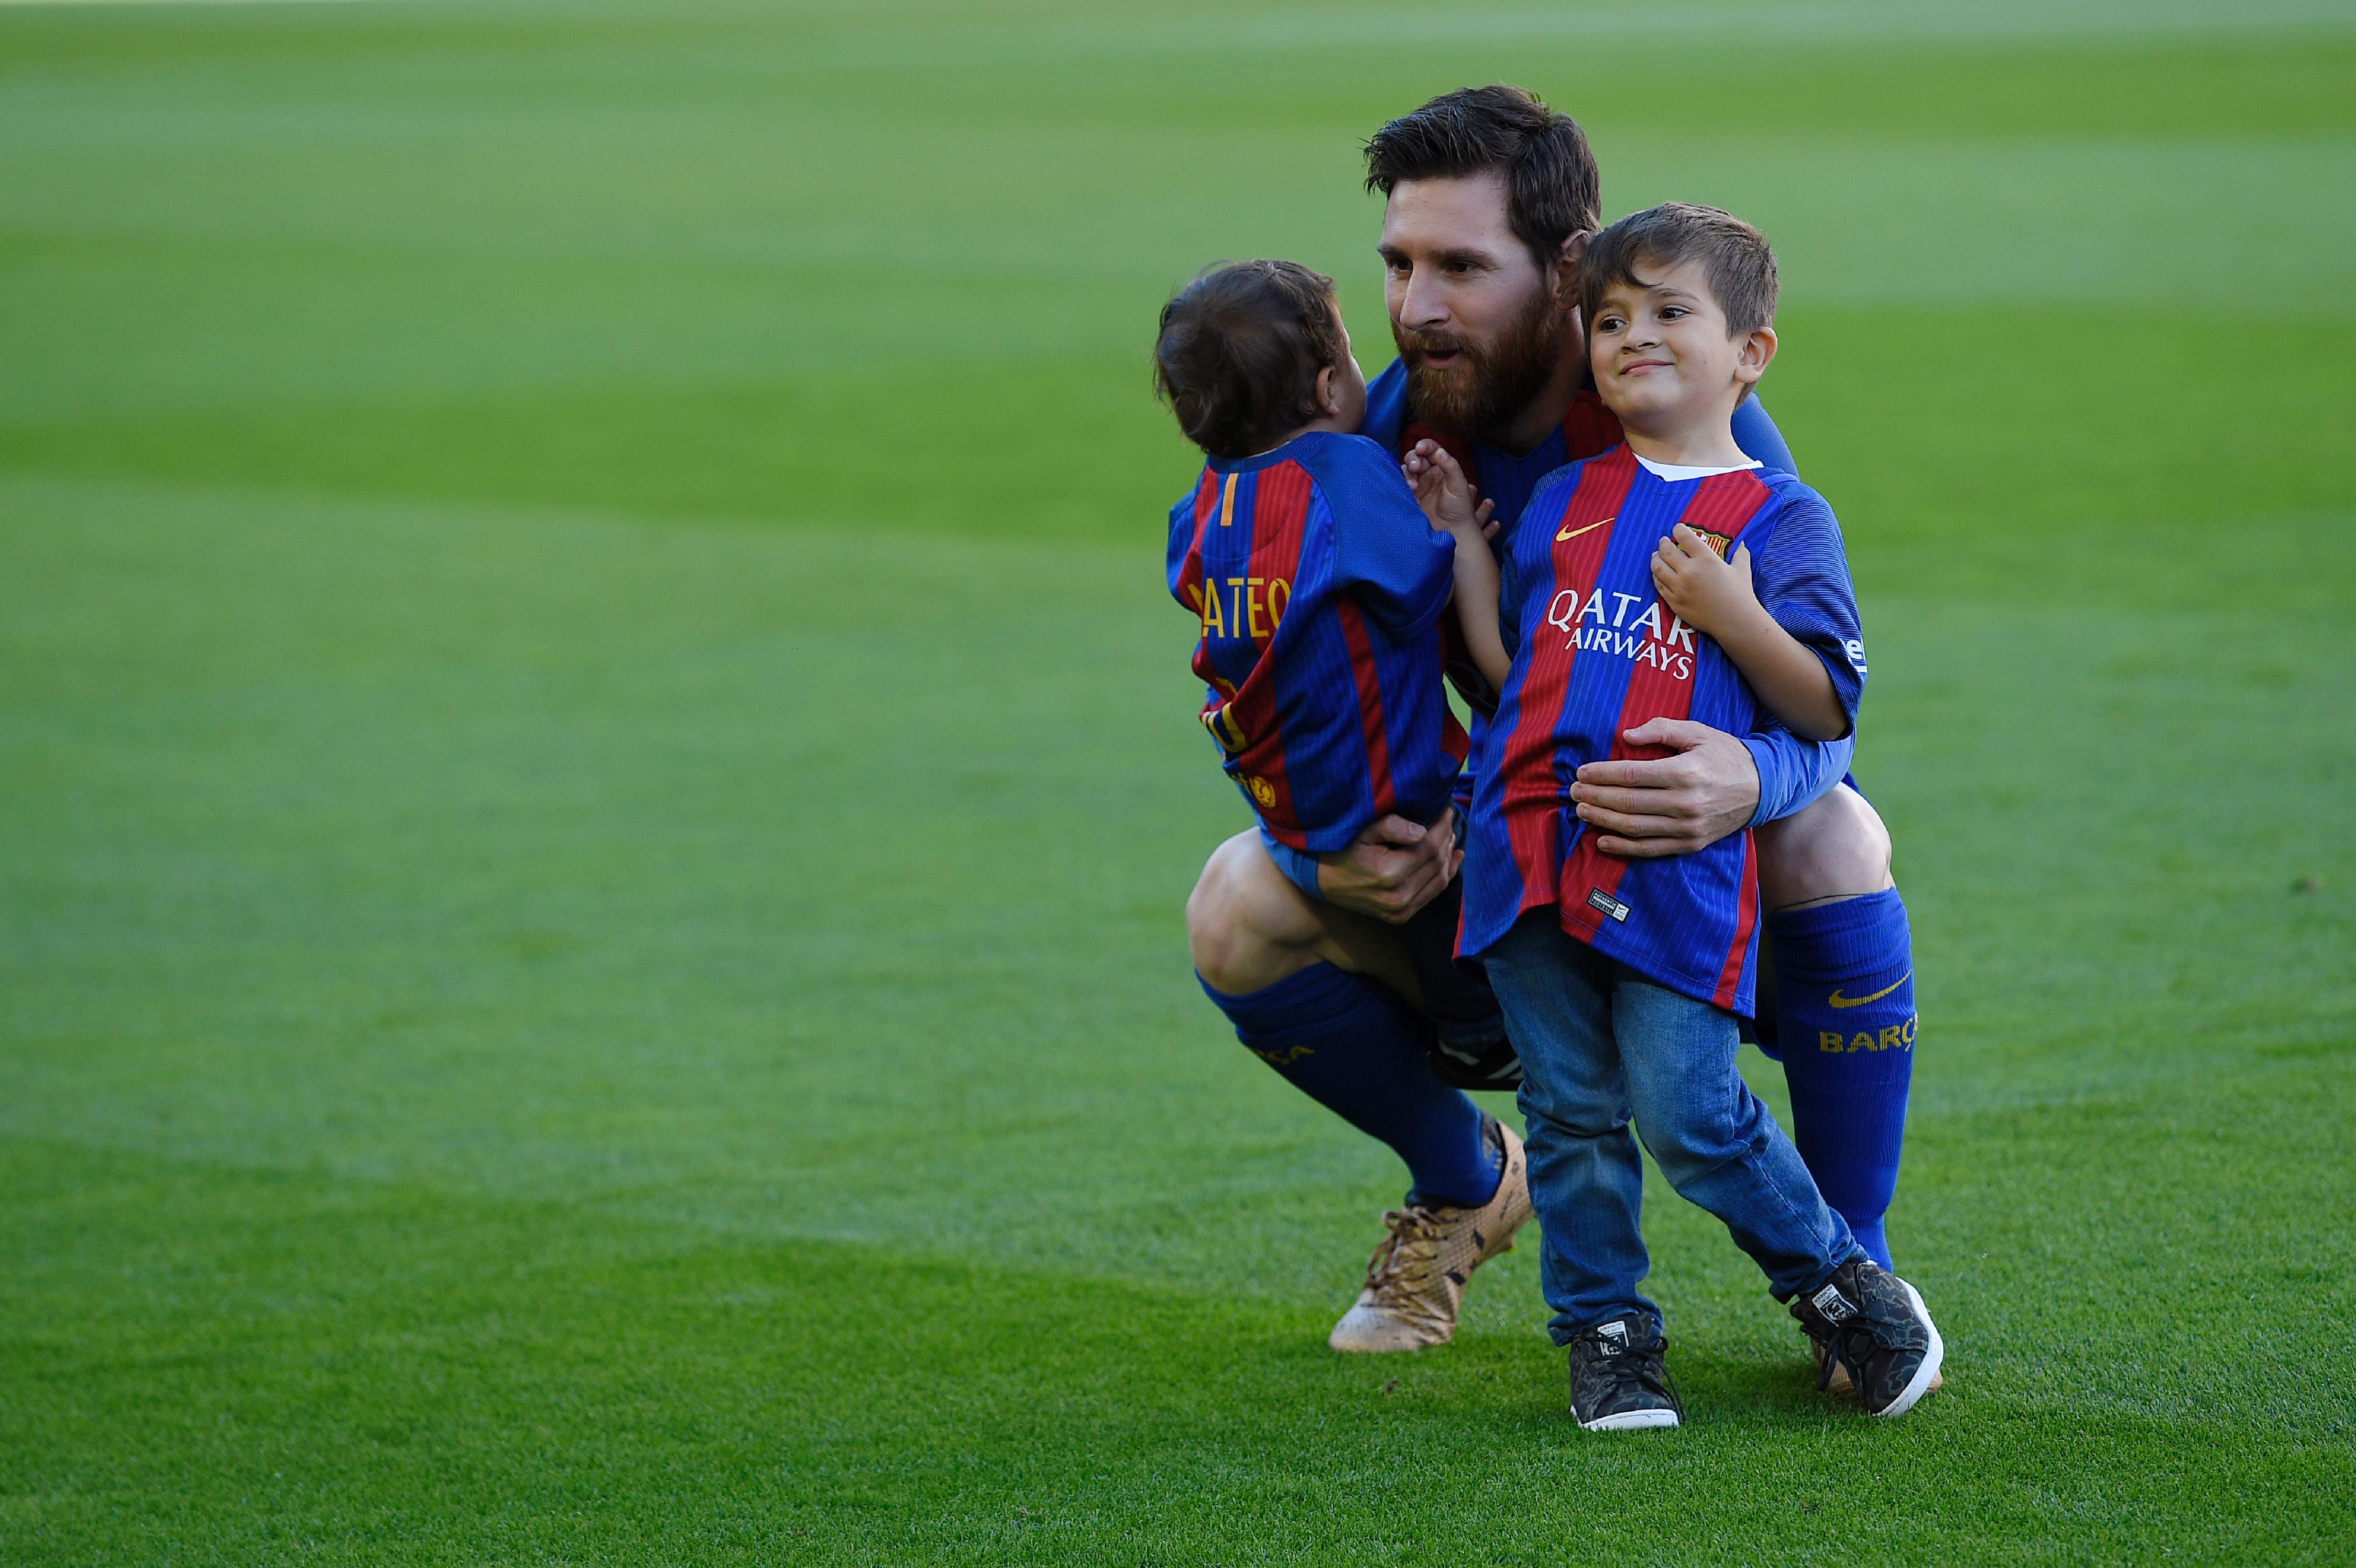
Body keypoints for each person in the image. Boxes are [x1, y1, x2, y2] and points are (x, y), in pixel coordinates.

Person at [1185, 87, 1923, 1364]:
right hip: (1503, 848)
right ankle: (1466, 1183)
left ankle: (1852, 1260)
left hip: (1669, 851)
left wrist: (1754, 773)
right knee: (1235, 906)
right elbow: (1274, 674)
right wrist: (1329, 834)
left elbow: (1827, 695)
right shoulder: (1374, 440)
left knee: (1838, 838)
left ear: (1569, 270)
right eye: (1400, 265)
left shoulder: (1697, 426)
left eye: (1461, 267)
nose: (1415, 308)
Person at [1418, 200, 1941, 1428]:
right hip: (1529, 854)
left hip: (1676, 870)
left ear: (1748, 353)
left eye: (1668, 313)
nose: (1632, 335)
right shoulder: (1563, 496)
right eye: (1610, 319)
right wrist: (1461, 545)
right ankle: (1606, 1335)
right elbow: (1508, 667)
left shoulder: (1780, 516)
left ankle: (1838, 1283)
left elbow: (1824, 703)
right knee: (1571, 1117)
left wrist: (1729, 609)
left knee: (1689, 1110)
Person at [1153, 258, 1534, 1352]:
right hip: (1436, 834)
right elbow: (1438, 607)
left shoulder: (1202, 511)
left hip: (1313, 832)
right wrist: (1460, 530)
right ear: (1330, 387)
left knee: (1251, 900)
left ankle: (1474, 1159)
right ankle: (1518, 1194)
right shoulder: (1348, 478)